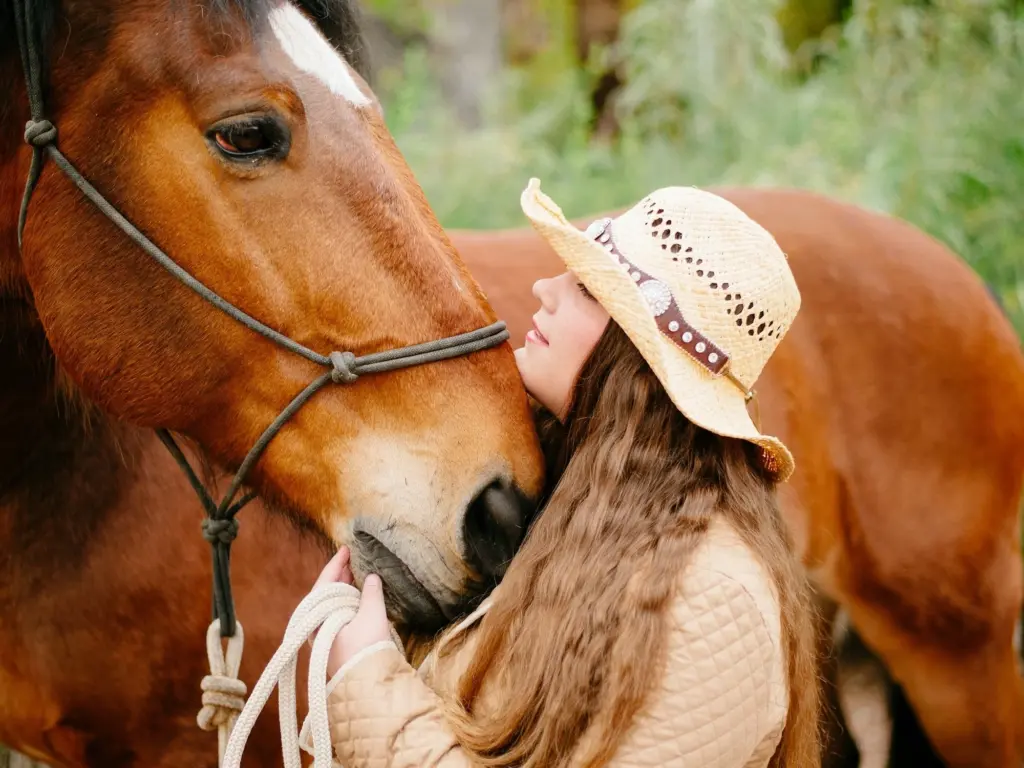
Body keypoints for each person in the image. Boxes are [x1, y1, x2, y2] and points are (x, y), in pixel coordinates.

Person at [312, 178, 821, 767]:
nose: (545, 287)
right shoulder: (570, 508)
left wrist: (365, 677)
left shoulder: (714, 602)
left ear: (635, 358)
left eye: (585, 288)